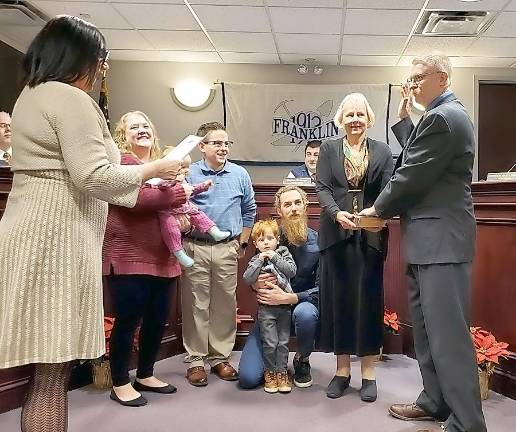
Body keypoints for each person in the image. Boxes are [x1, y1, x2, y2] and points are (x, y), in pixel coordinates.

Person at [0, 16, 180, 432]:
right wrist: (157, 166)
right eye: (102, 59)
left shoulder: (31, 95)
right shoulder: (69, 98)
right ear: (80, 56)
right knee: (51, 375)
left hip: (34, 229)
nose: (103, 68)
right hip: (55, 237)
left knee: (45, 372)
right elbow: (93, 176)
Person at [360, 54, 487, 432]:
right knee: (429, 334)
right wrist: (405, 121)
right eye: (410, 79)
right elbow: (422, 155)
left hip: (441, 243)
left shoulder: (444, 117)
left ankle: (467, 423)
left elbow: (413, 173)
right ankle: (434, 402)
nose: (412, 85)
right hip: (428, 241)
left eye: (419, 78)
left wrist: (376, 210)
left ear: (443, 78)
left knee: (448, 339)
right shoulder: (441, 116)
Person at [103, 111, 192, 407]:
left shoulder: (164, 168)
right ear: (123, 136)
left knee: (157, 320)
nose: (142, 130)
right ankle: (119, 382)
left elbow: (177, 206)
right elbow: (141, 201)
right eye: (134, 127)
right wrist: (181, 192)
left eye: (146, 126)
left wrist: (185, 221)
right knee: (128, 320)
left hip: (164, 258)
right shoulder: (123, 165)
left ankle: (145, 374)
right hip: (129, 257)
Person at [316, 93, 393, 402]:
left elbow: (389, 189)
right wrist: (337, 214)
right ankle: (342, 371)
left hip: (370, 234)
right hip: (335, 235)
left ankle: (369, 373)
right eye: (349, 115)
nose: (355, 120)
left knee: (368, 302)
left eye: (360, 114)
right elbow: (322, 187)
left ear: (369, 119)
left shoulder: (383, 150)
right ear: (341, 120)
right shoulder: (328, 149)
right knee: (339, 302)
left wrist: (372, 215)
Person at [181, 121, 256, 386]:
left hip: (227, 247)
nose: (223, 147)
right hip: (194, 247)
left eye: (226, 143)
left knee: (224, 303)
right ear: (202, 146)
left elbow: (250, 211)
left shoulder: (240, 174)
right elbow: (177, 207)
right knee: (195, 304)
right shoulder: (188, 173)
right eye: (217, 143)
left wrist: (242, 244)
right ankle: (196, 360)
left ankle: (219, 357)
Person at [238, 185, 319, 390]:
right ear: (279, 210)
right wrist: (256, 285)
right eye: (287, 204)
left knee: (306, 314)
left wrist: (291, 298)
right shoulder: (267, 239)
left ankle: (302, 359)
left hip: (301, 307)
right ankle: (273, 369)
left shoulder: (318, 242)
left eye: (298, 203)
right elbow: (249, 277)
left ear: (305, 207)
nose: (293, 209)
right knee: (248, 378)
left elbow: (323, 288)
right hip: (270, 313)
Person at [149, 150, 230, 268]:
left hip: (185, 208)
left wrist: (203, 187)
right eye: (182, 167)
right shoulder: (161, 180)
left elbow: (190, 189)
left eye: (188, 167)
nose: (186, 170)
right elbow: (160, 189)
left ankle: (214, 231)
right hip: (169, 212)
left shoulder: (183, 180)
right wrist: (173, 181)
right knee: (170, 229)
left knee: (199, 214)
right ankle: (179, 253)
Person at [242, 219, 297, 393]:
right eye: (261, 240)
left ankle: (282, 373)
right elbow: (247, 278)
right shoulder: (255, 259)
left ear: (277, 240)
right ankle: (270, 372)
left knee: (282, 342)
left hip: (284, 309)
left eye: (270, 238)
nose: (266, 242)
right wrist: (260, 260)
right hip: (266, 310)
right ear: (255, 244)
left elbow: (291, 270)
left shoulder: (283, 252)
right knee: (270, 342)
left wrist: (274, 257)